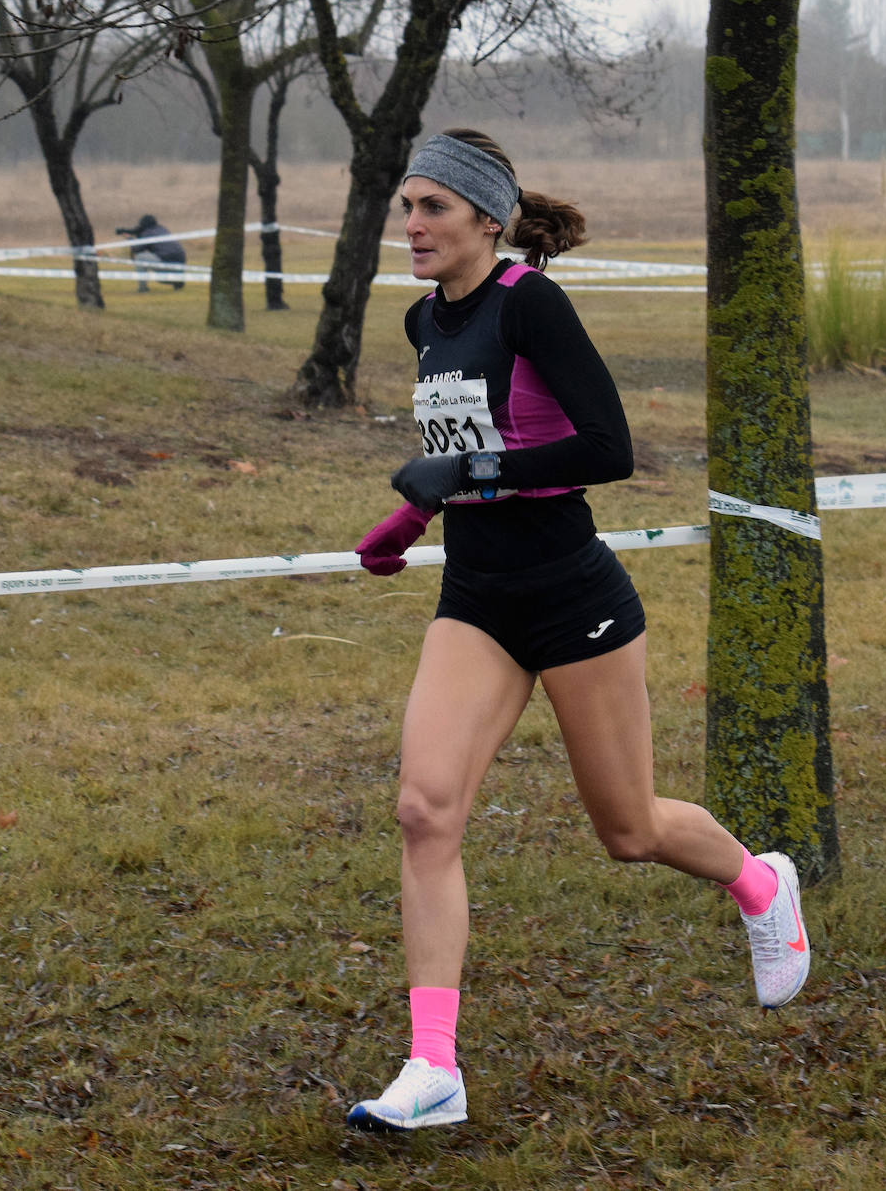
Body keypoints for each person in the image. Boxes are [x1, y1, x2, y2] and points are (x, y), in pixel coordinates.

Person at [346, 129, 812, 1132]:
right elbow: (468, 442)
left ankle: (761, 880)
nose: (413, 225)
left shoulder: (532, 304)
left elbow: (608, 446)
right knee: (425, 810)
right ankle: (434, 1066)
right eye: (407, 207)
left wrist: (463, 478)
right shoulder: (421, 321)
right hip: (477, 598)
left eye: (432, 207)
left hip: (571, 596)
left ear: (487, 217)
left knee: (628, 829)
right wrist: (415, 514)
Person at [115, 214, 186, 291]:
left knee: (140, 257)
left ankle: (143, 288)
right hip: (181, 266)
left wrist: (129, 238)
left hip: (166, 263)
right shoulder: (162, 229)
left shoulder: (147, 233)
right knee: (159, 274)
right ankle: (177, 280)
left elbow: (137, 249)